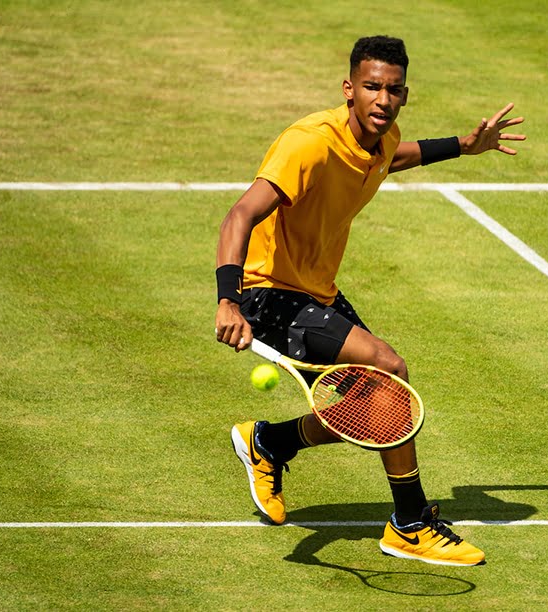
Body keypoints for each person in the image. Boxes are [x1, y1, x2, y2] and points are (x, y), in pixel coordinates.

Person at [215, 35, 525, 567]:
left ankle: (271, 442)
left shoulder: (383, 136)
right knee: (389, 367)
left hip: (317, 291)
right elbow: (240, 215)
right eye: (372, 88)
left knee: (381, 401)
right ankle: (409, 523)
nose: (383, 99)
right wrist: (228, 301)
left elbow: (391, 158)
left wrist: (462, 145)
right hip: (266, 293)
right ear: (349, 89)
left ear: (405, 94)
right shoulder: (307, 142)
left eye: (394, 90)